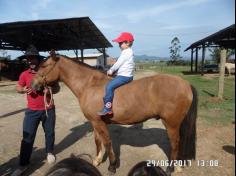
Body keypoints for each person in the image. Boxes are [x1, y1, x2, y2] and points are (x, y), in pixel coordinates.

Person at [11, 45, 58, 176]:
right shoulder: (24, 74)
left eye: (32, 59)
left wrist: (49, 90)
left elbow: (57, 88)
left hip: (48, 109)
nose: (30, 61)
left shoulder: (47, 73)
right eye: (28, 59)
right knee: (28, 137)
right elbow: (18, 87)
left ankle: (49, 152)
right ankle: (23, 164)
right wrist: (23, 90)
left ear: (38, 60)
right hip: (32, 111)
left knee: (49, 133)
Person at [97, 32, 135, 116]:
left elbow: (118, 63)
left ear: (128, 43)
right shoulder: (128, 52)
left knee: (109, 86)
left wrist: (111, 71)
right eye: (119, 43)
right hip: (125, 75)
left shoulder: (126, 52)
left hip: (124, 77)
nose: (119, 45)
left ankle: (107, 108)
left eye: (121, 43)